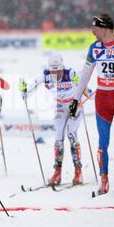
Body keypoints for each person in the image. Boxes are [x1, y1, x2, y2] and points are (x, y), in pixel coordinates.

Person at [69, 14, 114, 195]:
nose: (92, 31)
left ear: (105, 28)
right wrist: (74, 99)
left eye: (95, 27)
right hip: (102, 101)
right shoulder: (94, 48)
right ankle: (104, 181)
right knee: (103, 143)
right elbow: (85, 75)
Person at [19, 54, 88, 186]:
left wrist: (82, 85)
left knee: (72, 135)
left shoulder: (71, 73)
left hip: (75, 105)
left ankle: (78, 172)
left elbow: (87, 92)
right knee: (58, 140)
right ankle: (57, 173)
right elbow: (27, 92)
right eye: (53, 71)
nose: (56, 74)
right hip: (60, 106)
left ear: (62, 68)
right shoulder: (45, 77)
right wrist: (23, 90)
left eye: (58, 71)